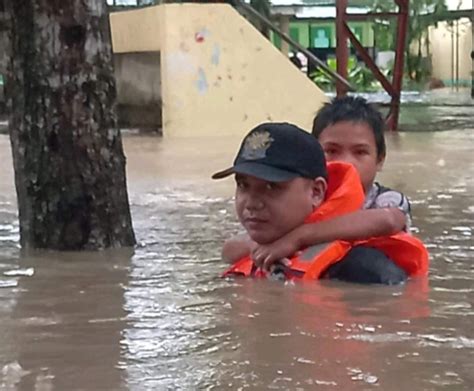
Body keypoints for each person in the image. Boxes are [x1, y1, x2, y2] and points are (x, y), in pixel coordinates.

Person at [223, 97, 414, 276]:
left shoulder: (386, 200)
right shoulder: (301, 202)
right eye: (331, 151)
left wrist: (297, 238)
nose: (346, 162)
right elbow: (230, 248)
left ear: (380, 160)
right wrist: (261, 248)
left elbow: (390, 220)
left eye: (360, 152)